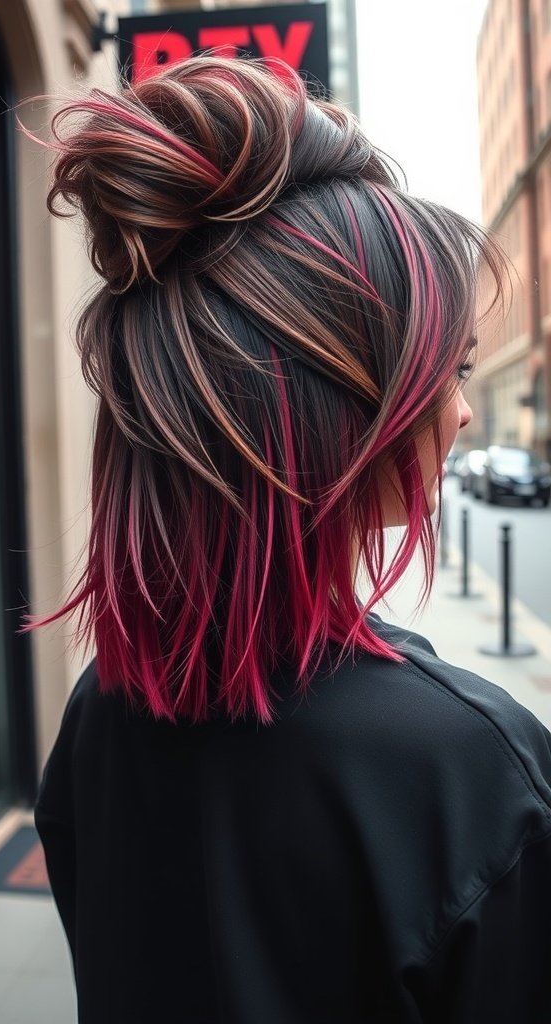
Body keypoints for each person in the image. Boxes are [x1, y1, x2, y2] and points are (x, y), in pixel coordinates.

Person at [31, 57, 551, 1023]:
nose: (466, 415)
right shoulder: (467, 768)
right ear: (337, 405)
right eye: (450, 370)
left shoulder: (103, 710)